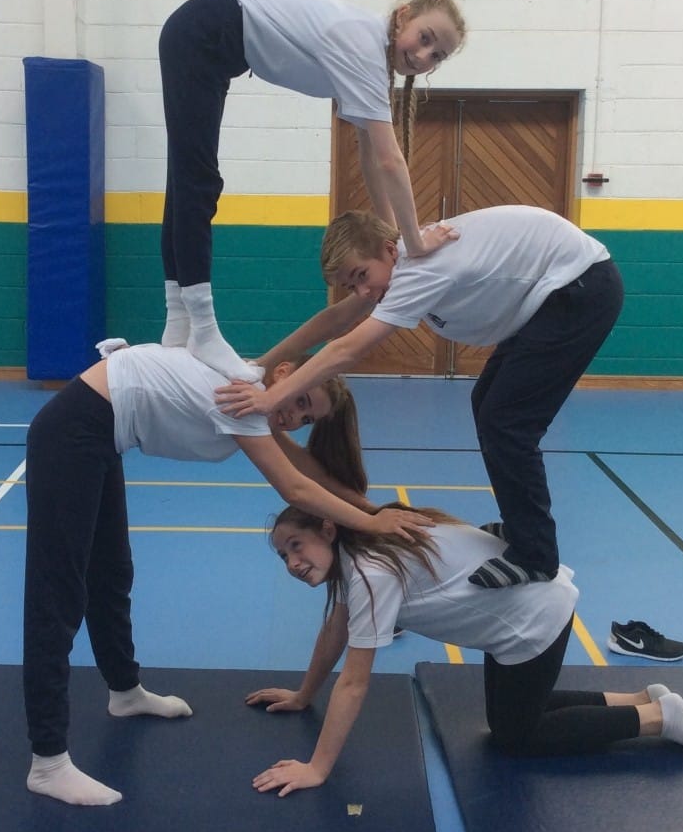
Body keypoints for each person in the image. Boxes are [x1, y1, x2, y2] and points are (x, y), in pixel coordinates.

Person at [23, 340, 432, 807]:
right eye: (299, 400)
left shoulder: (259, 405)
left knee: (112, 574)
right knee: (55, 598)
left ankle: (125, 690)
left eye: (307, 418)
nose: (295, 419)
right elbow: (295, 485)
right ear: (283, 374)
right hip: (71, 432)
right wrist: (372, 522)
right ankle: (49, 763)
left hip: (101, 437)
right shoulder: (241, 393)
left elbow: (305, 466)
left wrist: (372, 508)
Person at [218, 204, 625, 589]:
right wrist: (260, 365)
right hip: (558, 290)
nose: (361, 291)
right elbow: (335, 319)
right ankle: (523, 529)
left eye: (361, 276)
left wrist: (269, 400)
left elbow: (346, 349)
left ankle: (536, 555)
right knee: (487, 405)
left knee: (507, 423)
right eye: (350, 284)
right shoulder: (399, 263)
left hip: (578, 290)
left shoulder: (420, 271)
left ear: (388, 250)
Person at [246, 506, 683, 799]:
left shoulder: (371, 571)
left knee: (518, 734)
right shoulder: (363, 548)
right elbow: (335, 628)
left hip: (530, 617)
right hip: (523, 610)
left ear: (328, 529)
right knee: (513, 716)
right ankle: (641, 697)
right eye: (283, 556)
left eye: (296, 545)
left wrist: (317, 767)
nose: (292, 562)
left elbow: (354, 680)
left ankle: (659, 718)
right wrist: (304, 694)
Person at [157, 0, 466, 381]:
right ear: (403, 15)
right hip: (206, 31)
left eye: (436, 55)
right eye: (424, 38)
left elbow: (371, 157)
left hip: (210, 40)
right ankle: (202, 328)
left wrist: (394, 235)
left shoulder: (369, 57)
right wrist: (418, 242)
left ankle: (177, 323)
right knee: (197, 182)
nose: (423, 56)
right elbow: (391, 160)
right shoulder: (363, 45)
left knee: (186, 181)